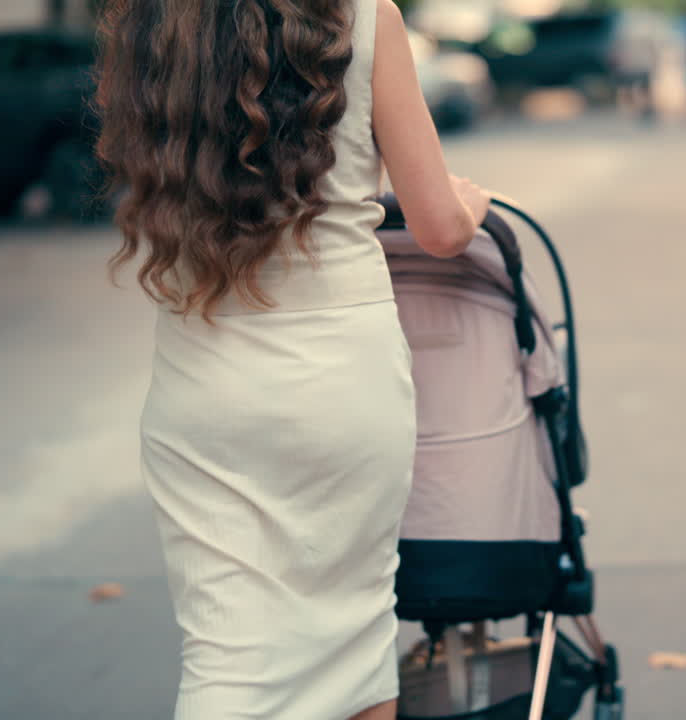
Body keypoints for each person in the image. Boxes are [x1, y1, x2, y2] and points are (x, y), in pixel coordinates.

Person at [93, 1, 490, 718]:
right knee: (361, 641)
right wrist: (469, 205)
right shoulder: (368, 19)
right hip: (339, 380)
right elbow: (437, 227)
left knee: (228, 654)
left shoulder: (156, 22)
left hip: (201, 378)